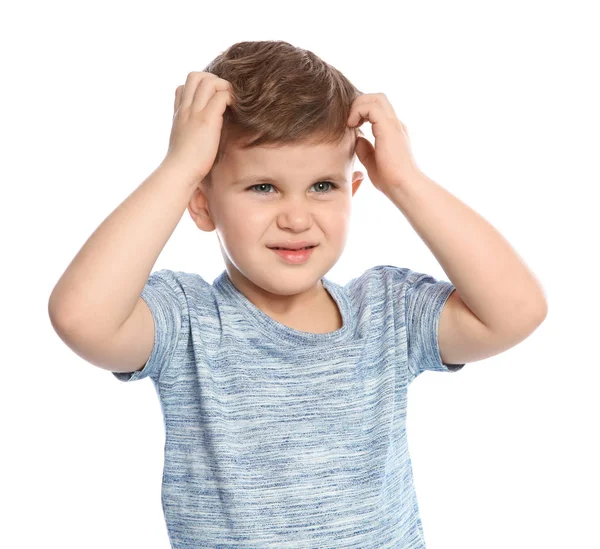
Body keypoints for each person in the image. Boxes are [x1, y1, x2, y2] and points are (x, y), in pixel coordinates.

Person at [48, 40, 547, 548]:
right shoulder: (189, 322)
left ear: (353, 192)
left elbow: (516, 311)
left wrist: (404, 180)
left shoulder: (386, 313)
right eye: (263, 187)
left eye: (322, 186)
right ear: (200, 205)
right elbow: (81, 318)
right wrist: (179, 168)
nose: (296, 216)